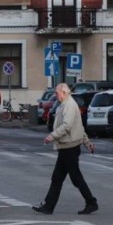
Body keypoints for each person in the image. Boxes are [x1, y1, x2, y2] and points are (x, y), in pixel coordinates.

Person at [33, 83, 98, 215]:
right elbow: (79, 128)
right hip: (66, 146)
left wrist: (51, 136)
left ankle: (91, 202)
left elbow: (68, 126)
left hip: (70, 147)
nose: (56, 96)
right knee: (57, 178)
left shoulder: (69, 105)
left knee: (75, 178)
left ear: (64, 92)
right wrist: (88, 143)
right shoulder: (66, 104)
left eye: (57, 93)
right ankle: (49, 206)